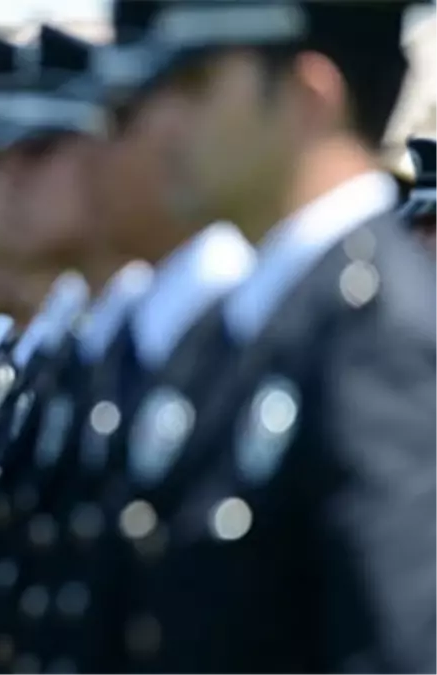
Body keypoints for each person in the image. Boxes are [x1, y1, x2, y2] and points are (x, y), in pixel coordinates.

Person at [98, 1, 437, 671]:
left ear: (308, 97)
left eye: (195, 86)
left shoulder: (373, 333)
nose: (161, 122)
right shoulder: (264, 320)